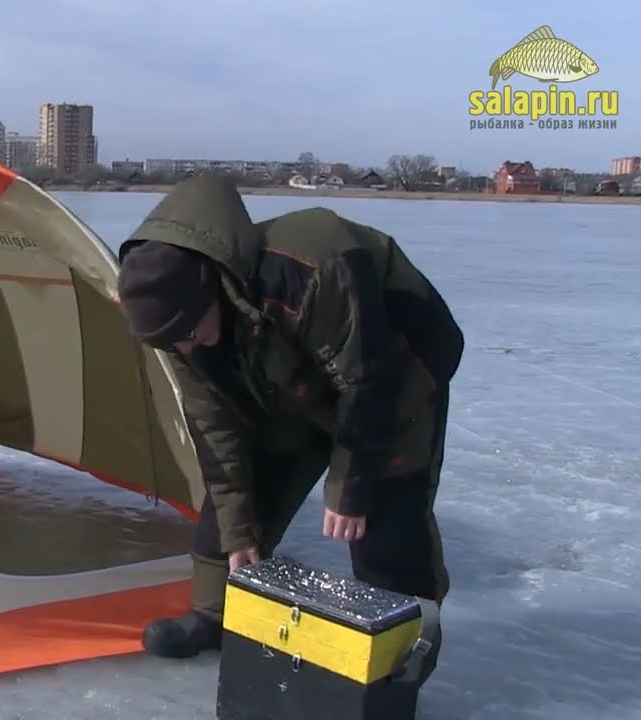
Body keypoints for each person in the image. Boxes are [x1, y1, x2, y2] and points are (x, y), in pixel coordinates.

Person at [115, 175, 464, 678]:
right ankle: (214, 616)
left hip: (399, 372)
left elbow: (368, 381)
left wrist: (349, 487)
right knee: (239, 499)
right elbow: (216, 432)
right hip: (291, 383)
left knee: (387, 524)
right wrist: (240, 532)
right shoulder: (178, 328)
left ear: (212, 289)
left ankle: (402, 657)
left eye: (190, 334)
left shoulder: (312, 266)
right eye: (173, 343)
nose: (186, 348)